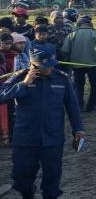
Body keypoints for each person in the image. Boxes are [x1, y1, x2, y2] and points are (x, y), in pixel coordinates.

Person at [0, 48, 85, 199]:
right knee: (21, 179)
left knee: (52, 179)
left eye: (51, 65)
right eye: (44, 66)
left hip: (52, 138)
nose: (48, 69)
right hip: (25, 138)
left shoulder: (62, 78)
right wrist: (24, 84)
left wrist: (78, 129)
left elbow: (72, 106)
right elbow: (2, 96)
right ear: (33, 64)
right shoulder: (20, 77)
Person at [61, 17, 96, 112]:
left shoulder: (72, 35)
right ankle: (91, 106)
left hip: (76, 65)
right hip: (94, 65)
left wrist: (68, 61)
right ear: (90, 24)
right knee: (95, 86)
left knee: (78, 86)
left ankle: (78, 106)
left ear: (78, 24)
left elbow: (65, 50)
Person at [0, 33, 16, 145]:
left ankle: (8, 136)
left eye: (10, 43)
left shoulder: (15, 55)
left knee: (7, 113)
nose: (8, 45)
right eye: (5, 43)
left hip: (6, 87)